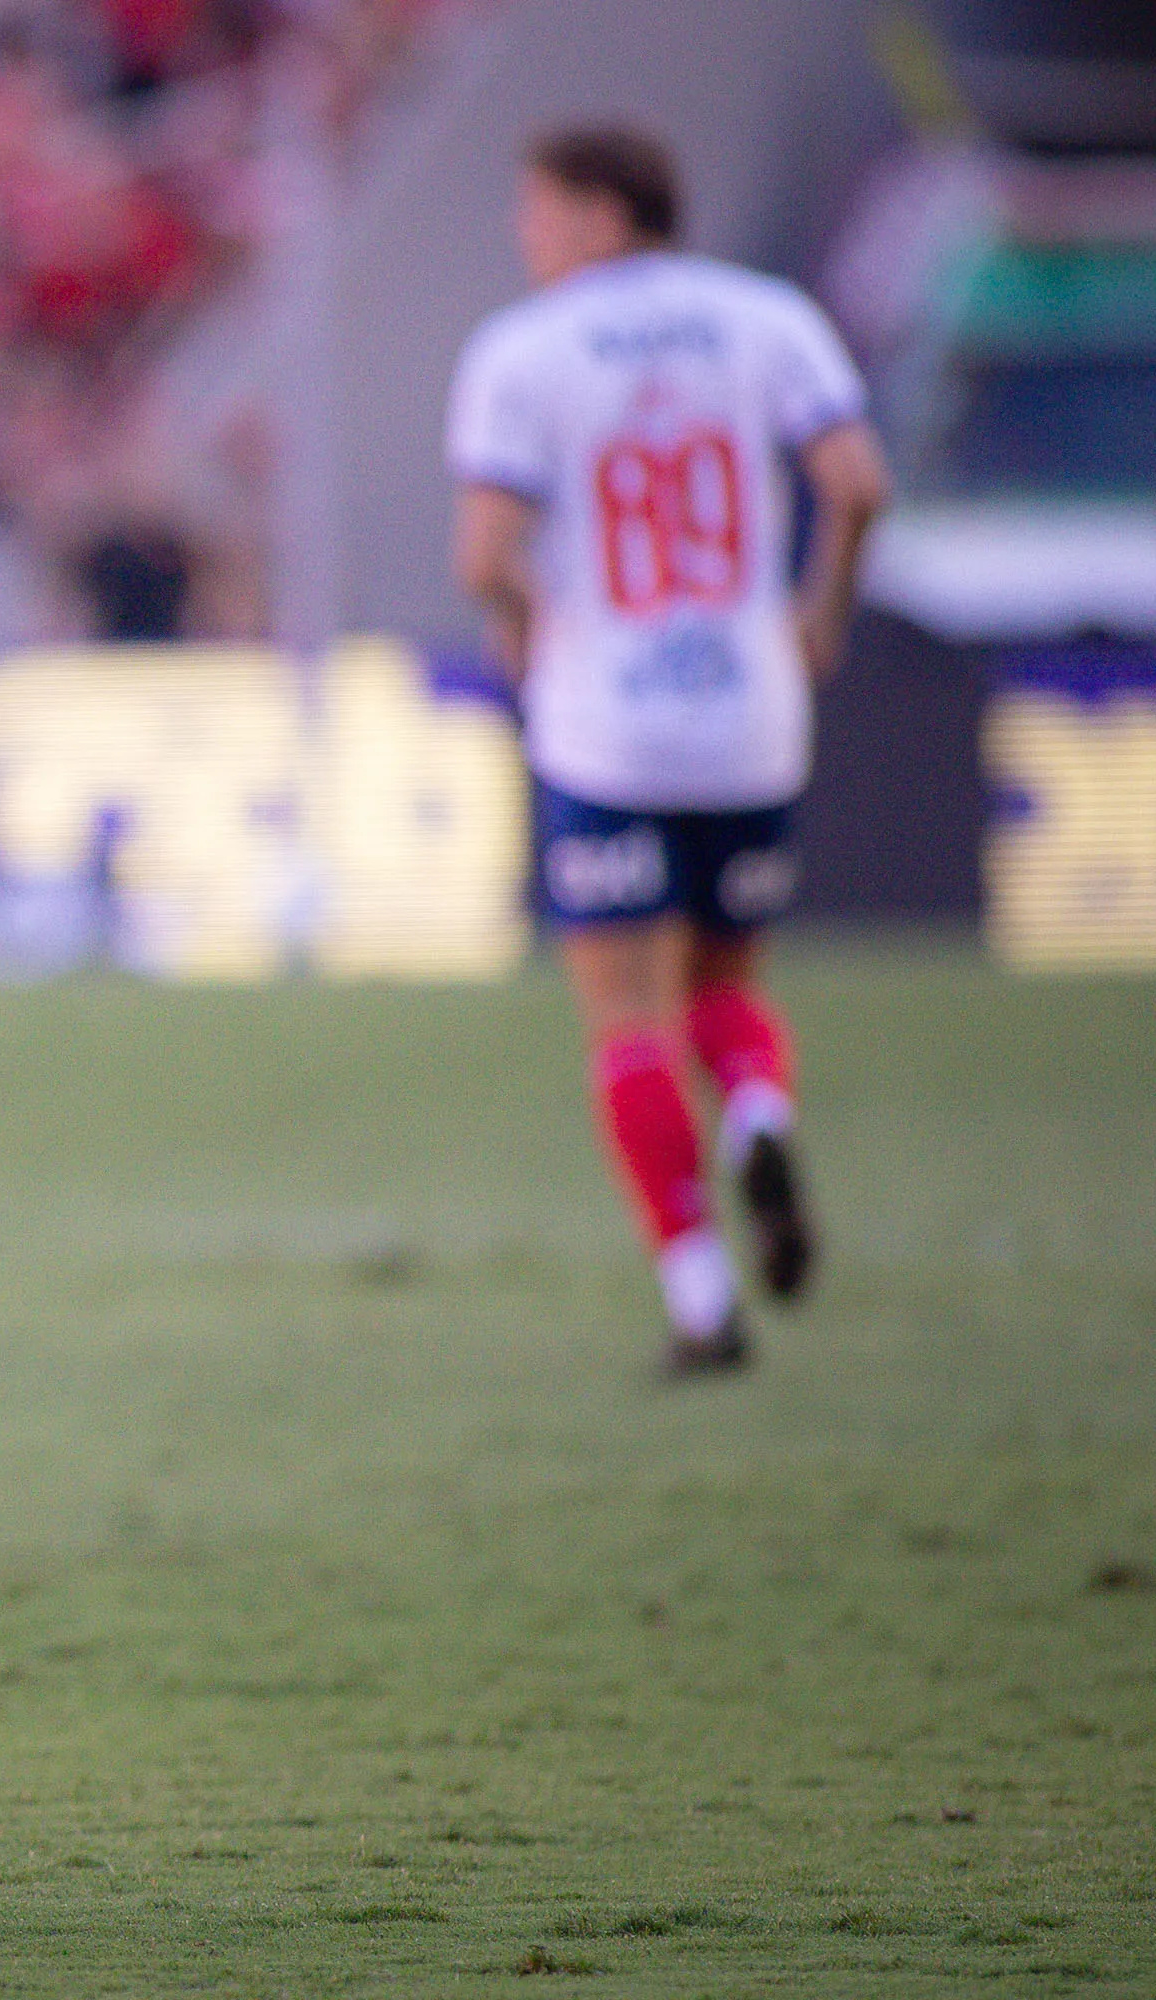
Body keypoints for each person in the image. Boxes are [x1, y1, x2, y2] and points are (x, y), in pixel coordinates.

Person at [446, 127, 892, 1376]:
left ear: (598, 214)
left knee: (624, 1013)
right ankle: (757, 1108)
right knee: (724, 988)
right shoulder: (768, 319)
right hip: (751, 714)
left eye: (538, 214)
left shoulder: (523, 352)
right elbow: (856, 481)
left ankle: (701, 1297)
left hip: (605, 726)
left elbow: (483, 554)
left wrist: (523, 621)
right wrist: (820, 613)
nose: (527, 240)